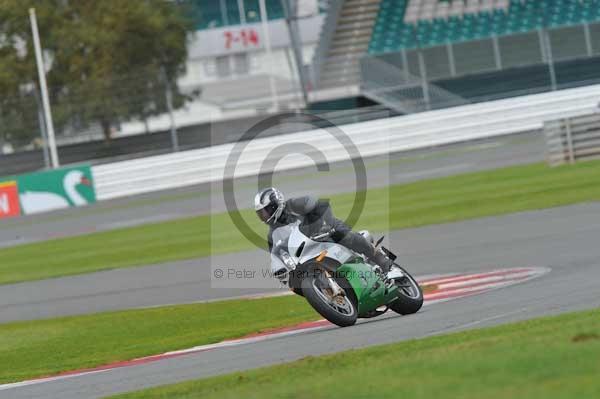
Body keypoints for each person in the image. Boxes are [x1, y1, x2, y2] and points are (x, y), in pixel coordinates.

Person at [254, 187, 402, 280]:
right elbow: (276, 254)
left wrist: (325, 224)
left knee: (344, 236)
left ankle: (386, 265)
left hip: (326, 231)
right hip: (309, 253)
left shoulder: (294, 205)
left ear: (276, 204)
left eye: (266, 211)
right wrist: (281, 272)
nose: (264, 216)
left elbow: (320, 204)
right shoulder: (272, 234)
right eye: (261, 213)